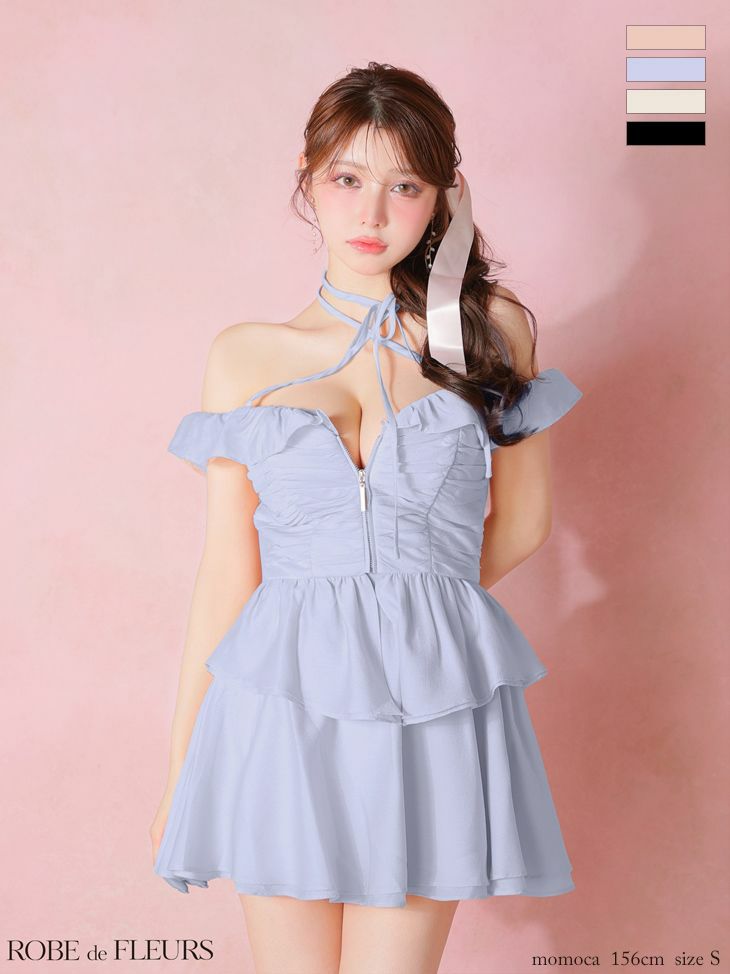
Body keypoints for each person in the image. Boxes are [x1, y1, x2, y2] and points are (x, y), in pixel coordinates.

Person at [150, 61, 582, 974]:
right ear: (307, 179)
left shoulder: (489, 332)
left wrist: (405, 617)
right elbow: (226, 570)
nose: (372, 214)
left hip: (430, 705)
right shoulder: (247, 354)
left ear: (445, 198)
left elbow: (524, 522)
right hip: (281, 710)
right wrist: (184, 761)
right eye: (347, 179)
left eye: (405, 187)